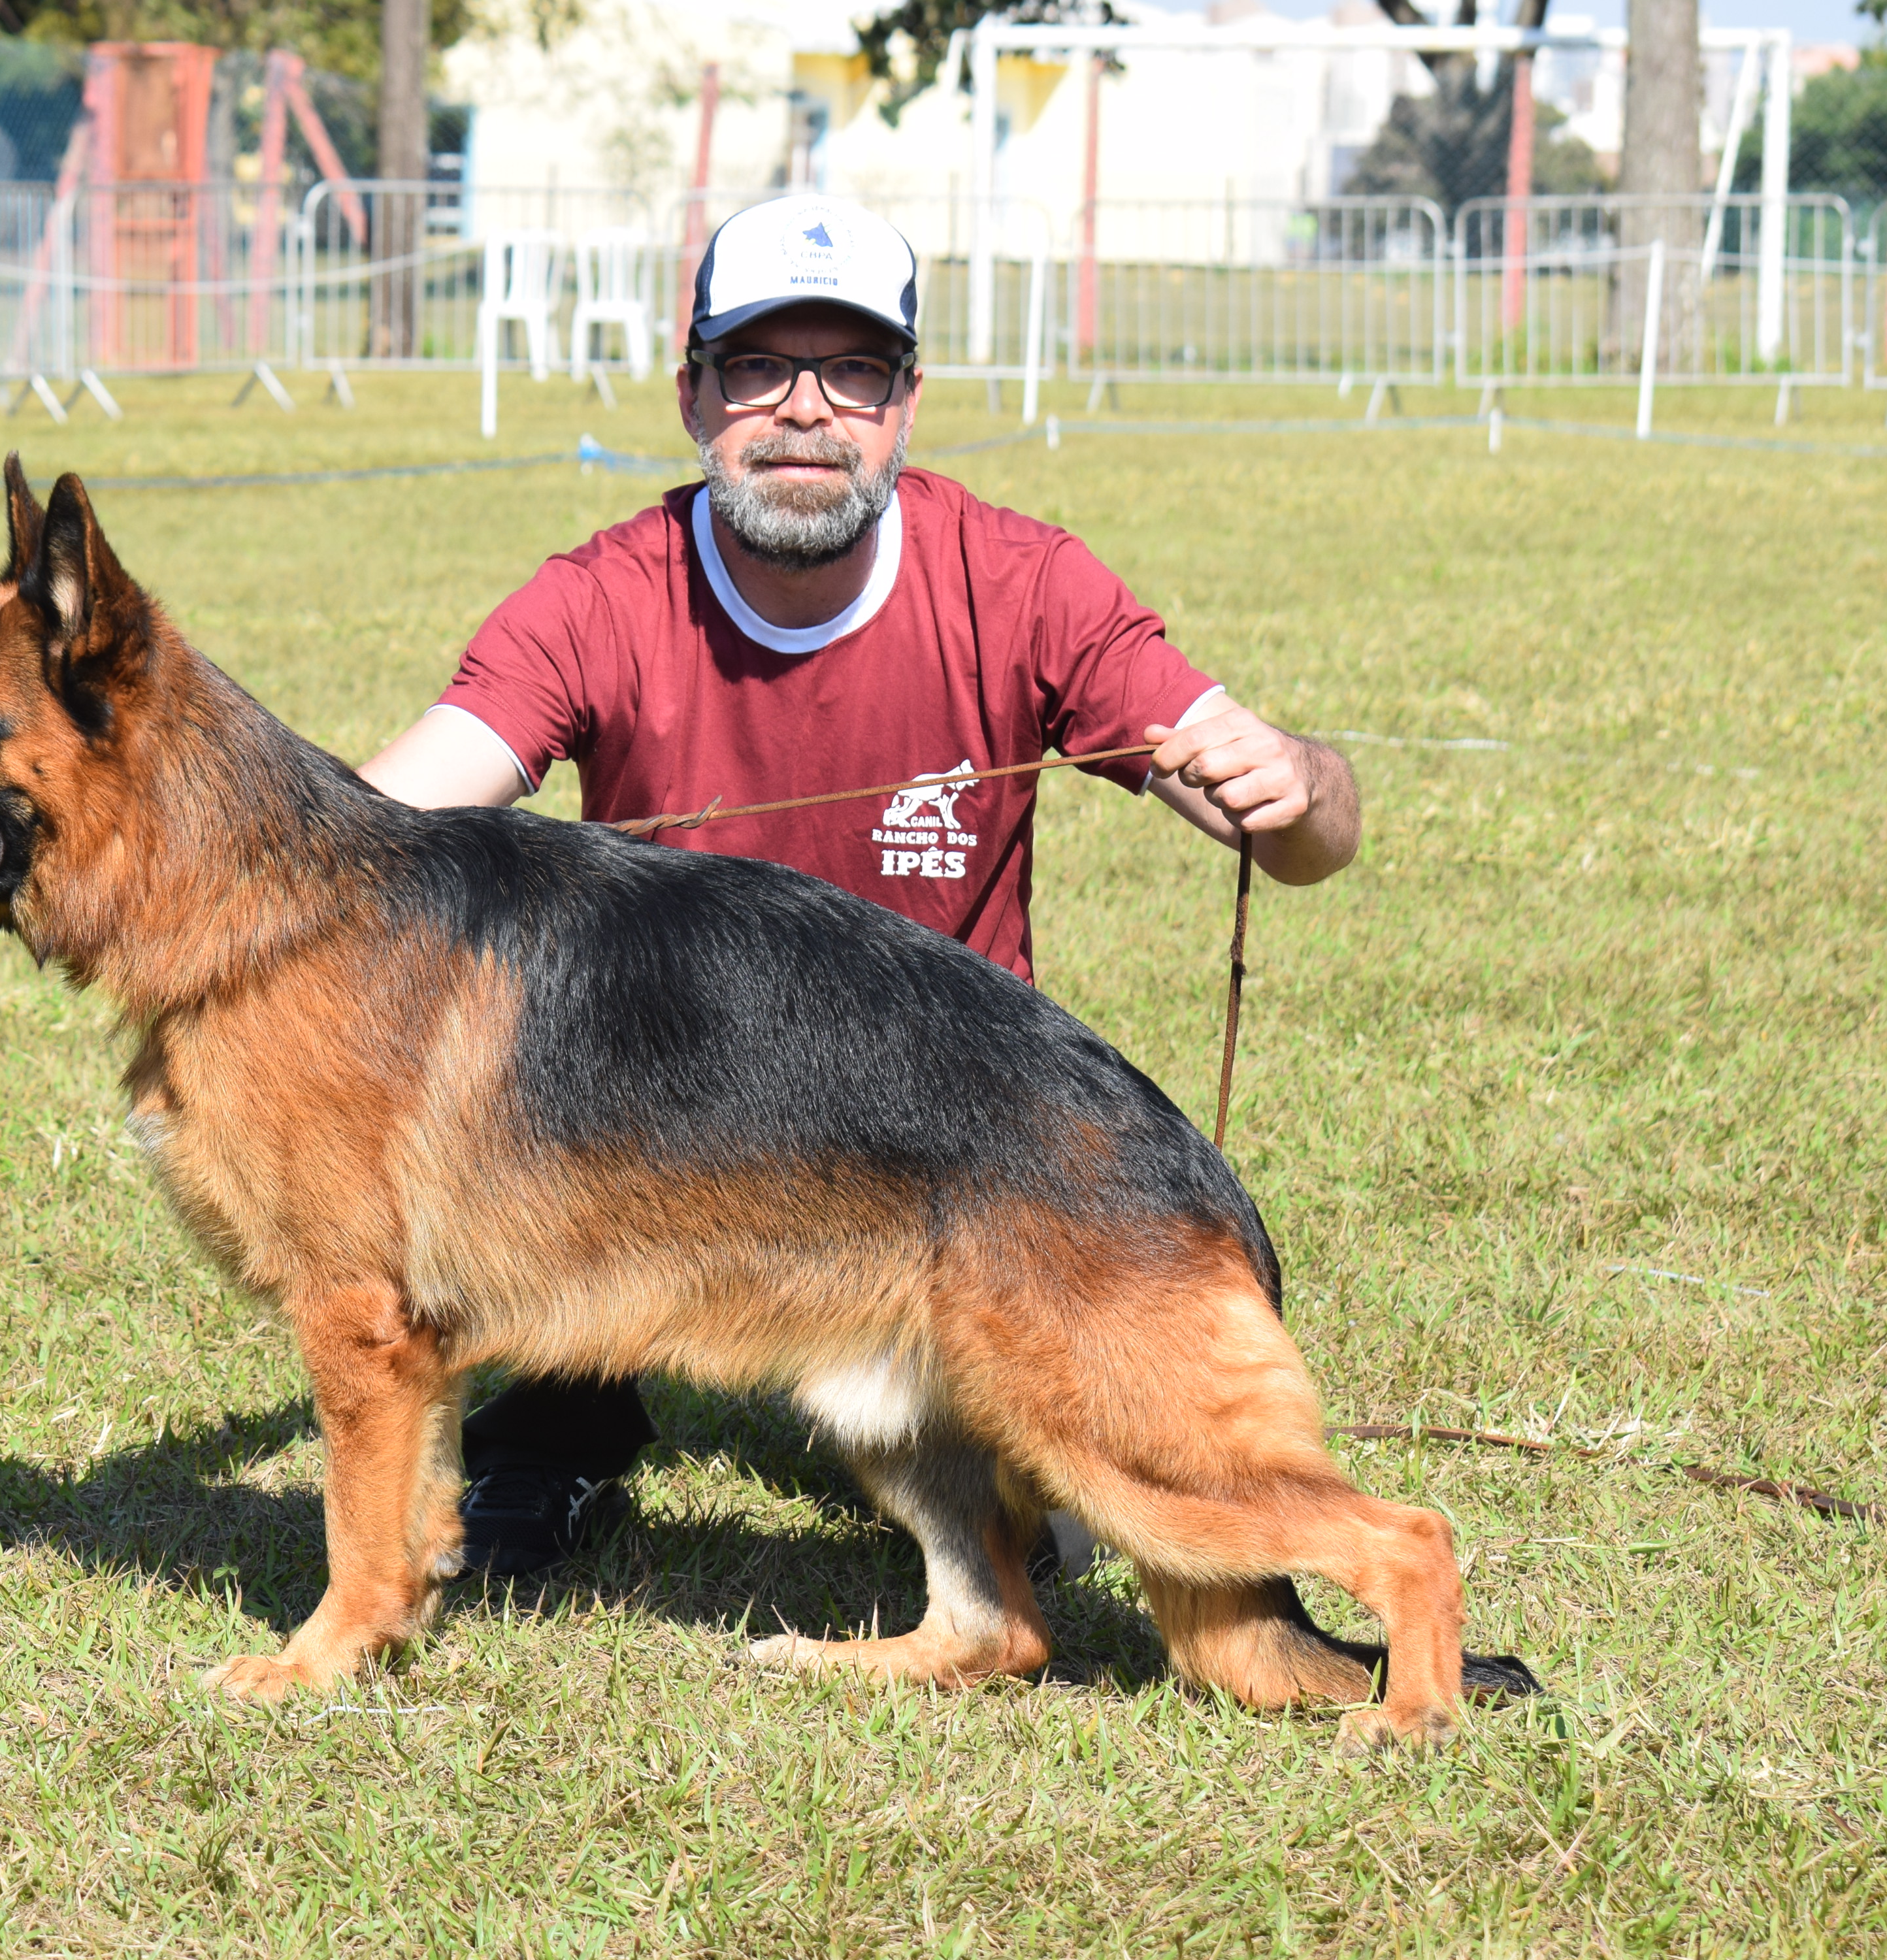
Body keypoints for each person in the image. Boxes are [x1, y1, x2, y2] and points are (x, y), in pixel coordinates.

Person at [358, 195, 1362, 1577]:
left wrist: (1296, 784)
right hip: (654, 1132)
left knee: (1062, 1532)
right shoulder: (598, 596)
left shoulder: (1020, 582)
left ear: (905, 402)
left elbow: (1295, 837)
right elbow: (384, 828)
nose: (805, 412)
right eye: (758, 369)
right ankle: (558, 1431)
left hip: (935, 1137)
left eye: (853, 373)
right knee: (530, 1168)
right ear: (692, 396)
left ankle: (982, 1435)